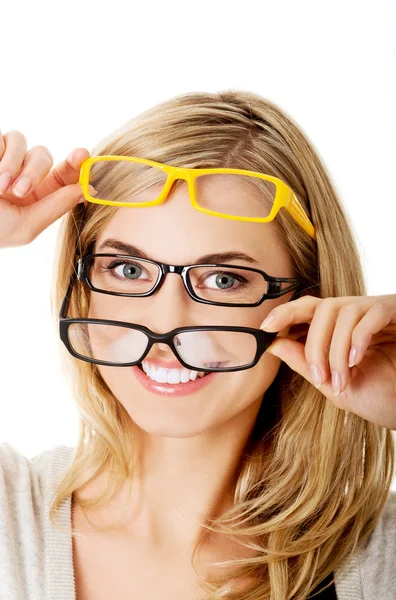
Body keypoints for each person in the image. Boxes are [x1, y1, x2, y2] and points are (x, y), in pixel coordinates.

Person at [0, 90, 395, 600]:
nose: (165, 327)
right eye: (128, 269)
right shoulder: (12, 519)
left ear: (309, 302)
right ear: (82, 291)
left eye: (224, 280)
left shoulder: (379, 560)